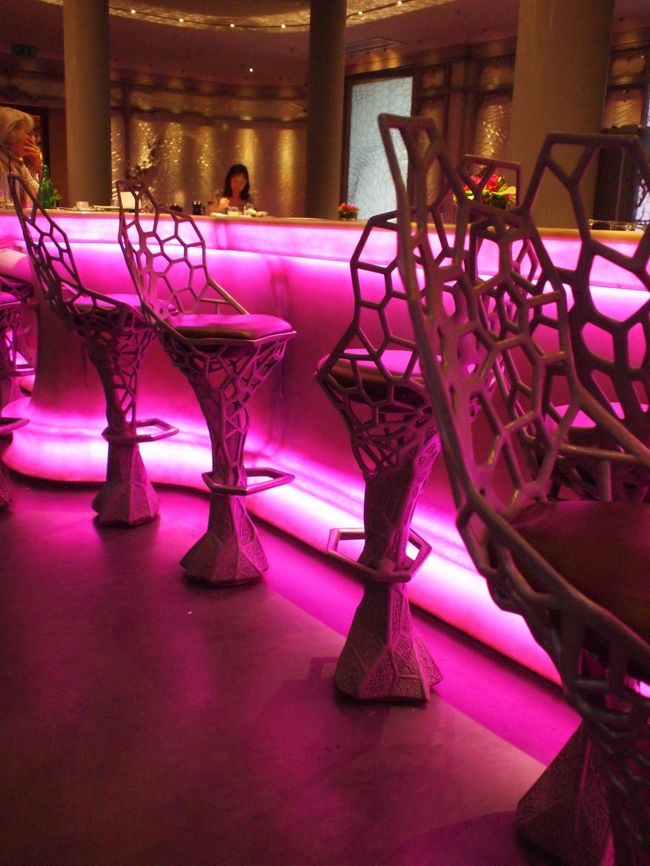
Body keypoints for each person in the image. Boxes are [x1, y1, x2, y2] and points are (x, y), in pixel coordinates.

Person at [0, 106, 43, 207]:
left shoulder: (20, 167)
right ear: (9, 135)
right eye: (29, 133)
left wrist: (39, 168)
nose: (33, 138)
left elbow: (43, 200)